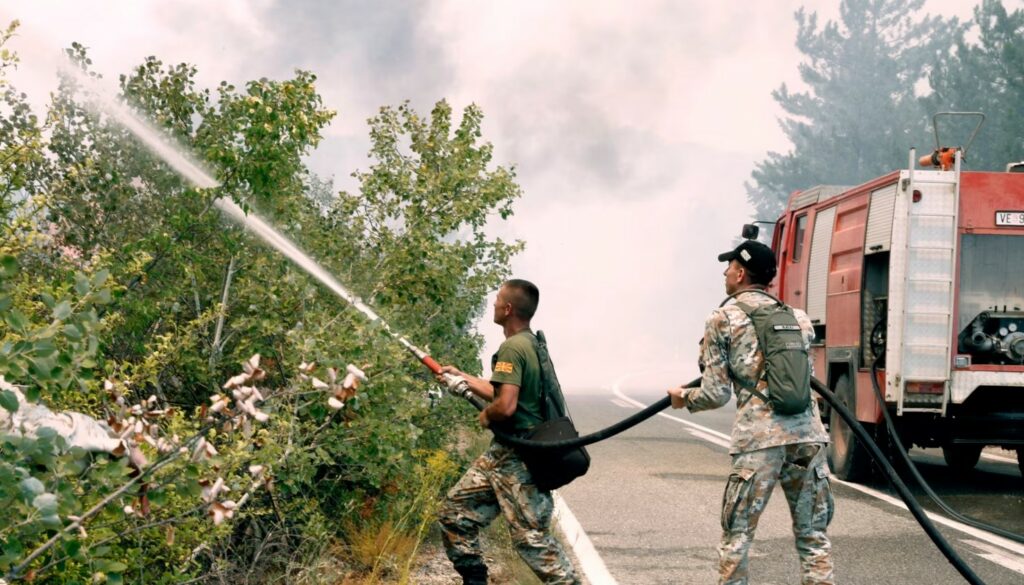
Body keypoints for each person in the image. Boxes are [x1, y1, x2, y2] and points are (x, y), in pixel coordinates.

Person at [667, 240, 835, 585]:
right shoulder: (799, 319)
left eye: (728, 266)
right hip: (808, 438)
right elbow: (810, 383)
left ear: (740, 273)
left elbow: (714, 394)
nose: (725, 272)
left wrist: (683, 397)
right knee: (814, 538)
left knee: (738, 537)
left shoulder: (722, 318)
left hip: (760, 441)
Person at [436, 279, 580, 585]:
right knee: (454, 514)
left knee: (532, 540)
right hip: (501, 456)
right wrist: (463, 378)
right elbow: (506, 390)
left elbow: (505, 405)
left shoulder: (512, 348)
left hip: (520, 461)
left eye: (498, 299)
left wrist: (487, 415)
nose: (494, 304)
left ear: (509, 308)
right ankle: (475, 580)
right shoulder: (529, 343)